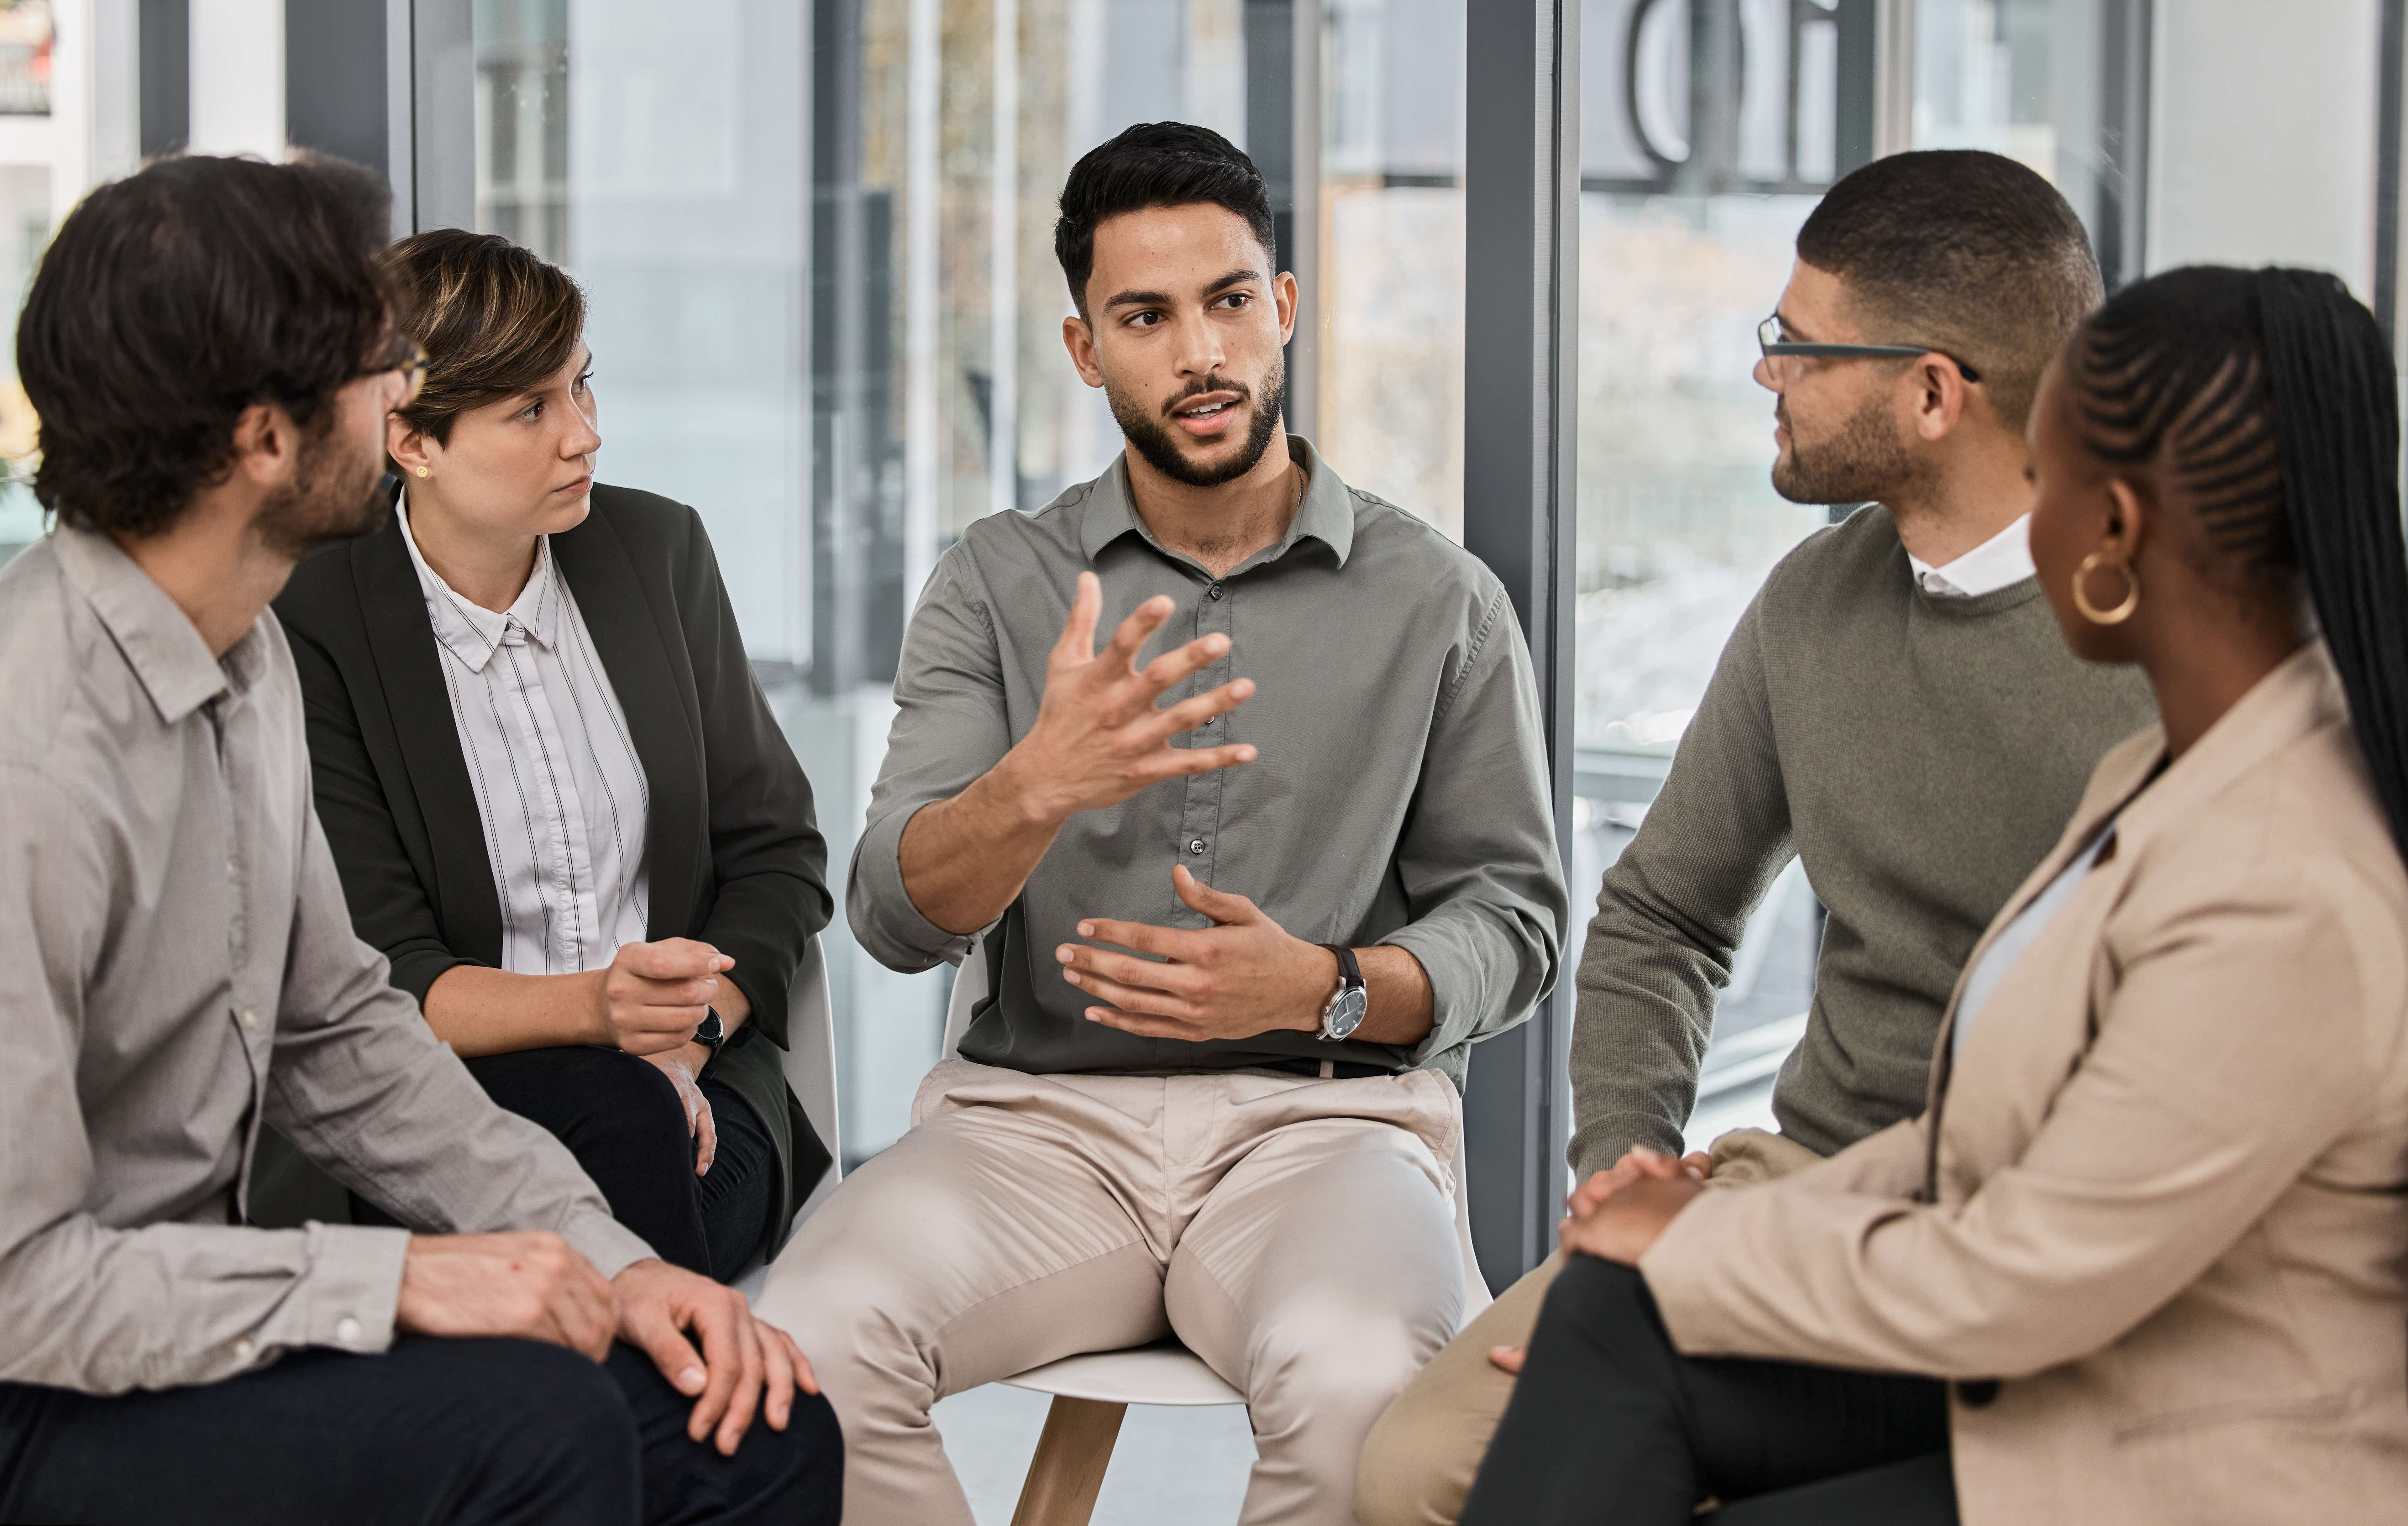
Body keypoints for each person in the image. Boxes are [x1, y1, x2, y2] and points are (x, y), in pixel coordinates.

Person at [1463, 265, 2408, 1523]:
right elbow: (1970, 1153)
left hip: (2163, 1439)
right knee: (1610, 1318)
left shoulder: (2287, 882)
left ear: (2115, 530)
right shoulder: (2168, 770)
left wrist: (1700, 1249)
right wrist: (1654, 1219)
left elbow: (2023, 1275)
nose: (2031, 517)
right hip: (2047, 1340)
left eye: (2051, 481)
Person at [0, 153, 839, 1524]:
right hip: (47, 1388)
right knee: (541, 1429)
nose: (403, 396)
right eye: (375, 367)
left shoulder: (245, 659)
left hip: (205, 1320)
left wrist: (610, 1258)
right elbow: (19, 1289)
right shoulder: (30, 751)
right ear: (267, 437)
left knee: (753, 1423)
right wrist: (396, 1282)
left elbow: (340, 1033)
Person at [756, 121, 1567, 1526]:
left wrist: (1331, 989)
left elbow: (1518, 919)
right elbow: (892, 918)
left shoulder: (1440, 600)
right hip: (1033, 1129)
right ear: (1086, 350)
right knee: (812, 1340)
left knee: (1364, 1375)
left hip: (1322, 1133)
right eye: (1146, 316)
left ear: (1286, 309)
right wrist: (1037, 785)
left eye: (1229, 301)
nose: (1199, 352)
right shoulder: (996, 584)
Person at [1357, 149, 2157, 1525]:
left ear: (1931, 392)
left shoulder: (2169, 650)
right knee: (1417, 1471)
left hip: (2042, 1233)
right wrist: (1626, 1157)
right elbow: (1667, 911)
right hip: (1799, 1179)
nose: (1763, 373)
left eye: (1797, 344)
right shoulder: (1813, 604)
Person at [266, 229, 832, 1282]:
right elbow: (389, 975)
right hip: (448, 1117)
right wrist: (599, 1019)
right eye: (530, 409)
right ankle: (684, 1422)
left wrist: (683, 1042)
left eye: (582, 388)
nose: (584, 437)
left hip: (699, 1098)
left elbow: (778, 855)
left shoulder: (658, 554)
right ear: (410, 439)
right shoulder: (315, 622)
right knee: (609, 1133)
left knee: (623, 1153)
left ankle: (643, 1421)